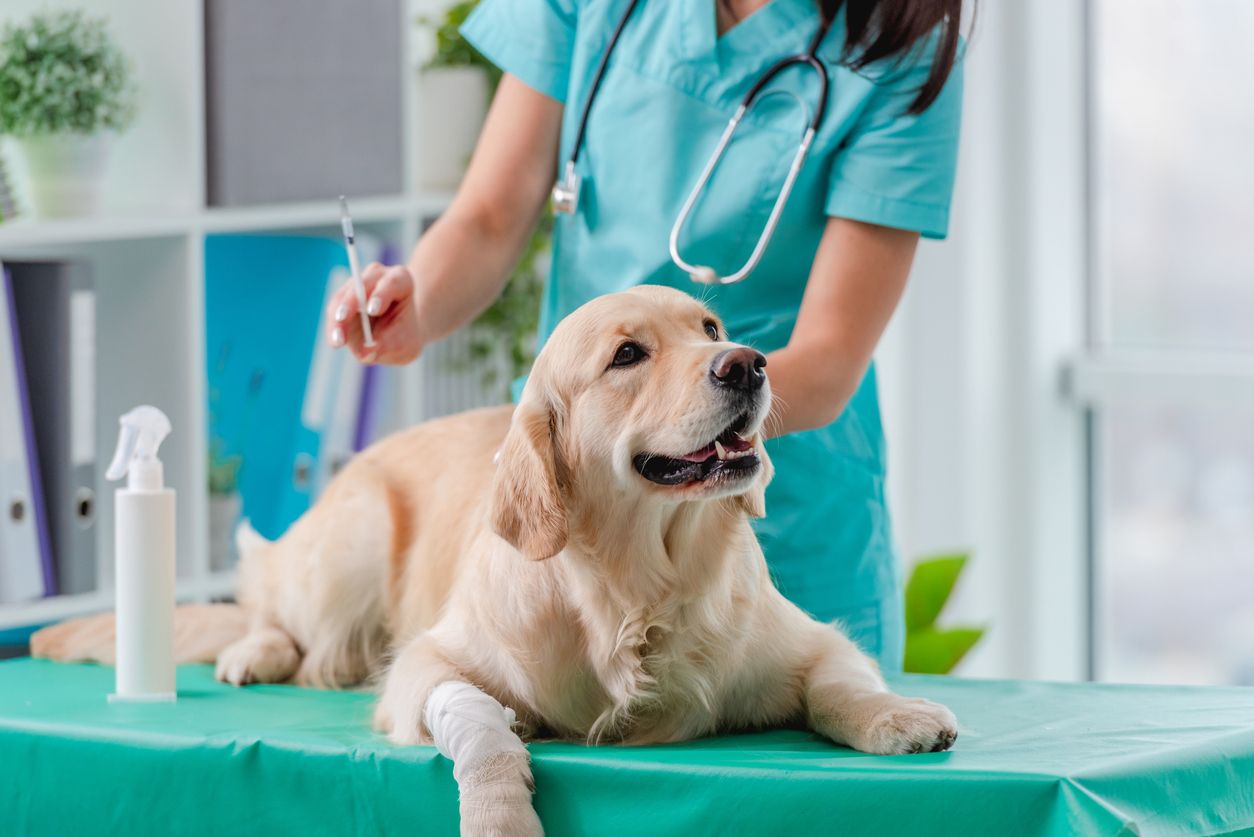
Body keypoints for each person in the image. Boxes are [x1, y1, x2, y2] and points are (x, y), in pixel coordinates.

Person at [328, 0, 965, 670]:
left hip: (786, 512)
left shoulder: (903, 47)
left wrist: (697, 407)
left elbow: (829, 360)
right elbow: (489, 215)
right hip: (587, 520)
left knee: (804, 718)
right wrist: (419, 304)